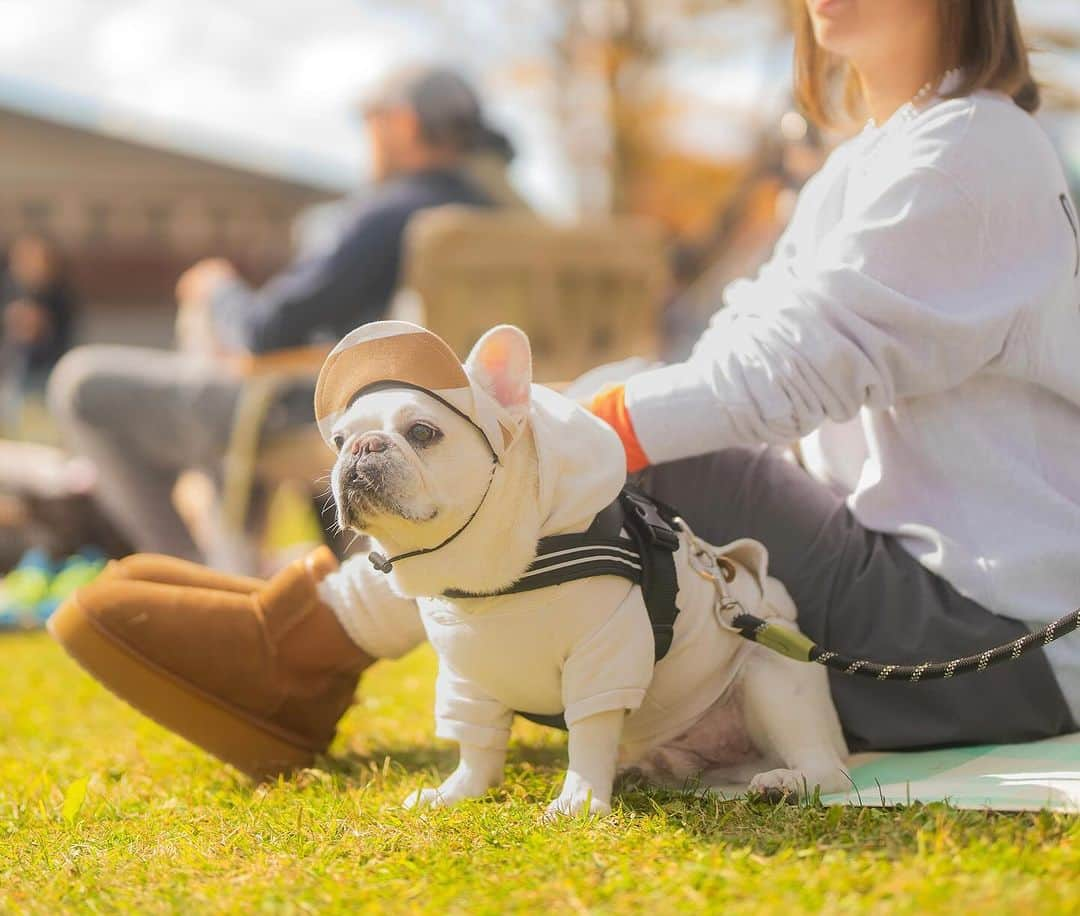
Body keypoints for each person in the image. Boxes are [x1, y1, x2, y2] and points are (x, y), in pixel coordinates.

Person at [49, 0, 1080, 778]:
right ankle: (316, 630)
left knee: (646, 436)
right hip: (901, 578)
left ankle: (310, 642)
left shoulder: (977, 147)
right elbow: (737, 340)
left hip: (985, 630)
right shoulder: (875, 159)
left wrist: (585, 429)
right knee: (631, 422)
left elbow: (793, 370)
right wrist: (588, 418)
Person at [47, 65, 514, 562]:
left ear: (399, 123)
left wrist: (216, 288)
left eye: (369, 123)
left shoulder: (391, 214)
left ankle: (196, 577)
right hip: (431, 410)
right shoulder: (495, 218)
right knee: (204, 389)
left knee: (81, 386)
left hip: (313, 403)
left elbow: (265, 330)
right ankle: (250, 562)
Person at [0, 234, 75, 431]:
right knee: (15, 413)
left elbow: (62, 332)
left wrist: (40, 325)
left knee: (43, 416)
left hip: (47, 366)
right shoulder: (13, 289)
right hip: (18, 366)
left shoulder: (57, 294)